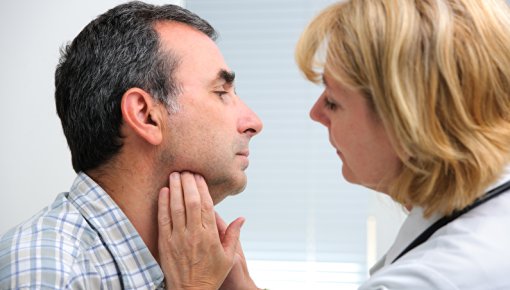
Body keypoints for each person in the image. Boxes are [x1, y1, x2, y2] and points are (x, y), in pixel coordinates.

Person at [157, 0, 510, 289]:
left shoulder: (429, 279)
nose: (315, 113)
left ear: (408, 122)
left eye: (334, 102)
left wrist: (194, 287)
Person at [0, 1, 263, 289]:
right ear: (145, 115)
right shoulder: (50, 271)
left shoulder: (195, 263)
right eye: (221, 92)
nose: (254, 122)